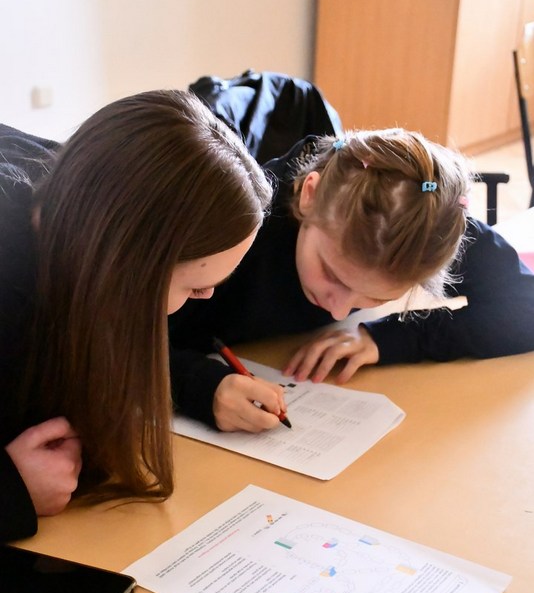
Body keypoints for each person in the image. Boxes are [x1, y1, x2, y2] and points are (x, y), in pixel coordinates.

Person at [0, 89, 273, 543]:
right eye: (194, 286)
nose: (206, 297)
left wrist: (199, 385)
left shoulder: (83, 202)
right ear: (128, 262)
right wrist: (12, 490)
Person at [167, 128, 534, 432]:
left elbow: (526, 308)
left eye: (374, 299)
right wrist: (199, 386)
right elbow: (131, 334)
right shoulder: (236, 229)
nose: (339, 310)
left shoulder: (420, 226)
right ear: (309, 195)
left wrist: (388, 338)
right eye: (332, 274)